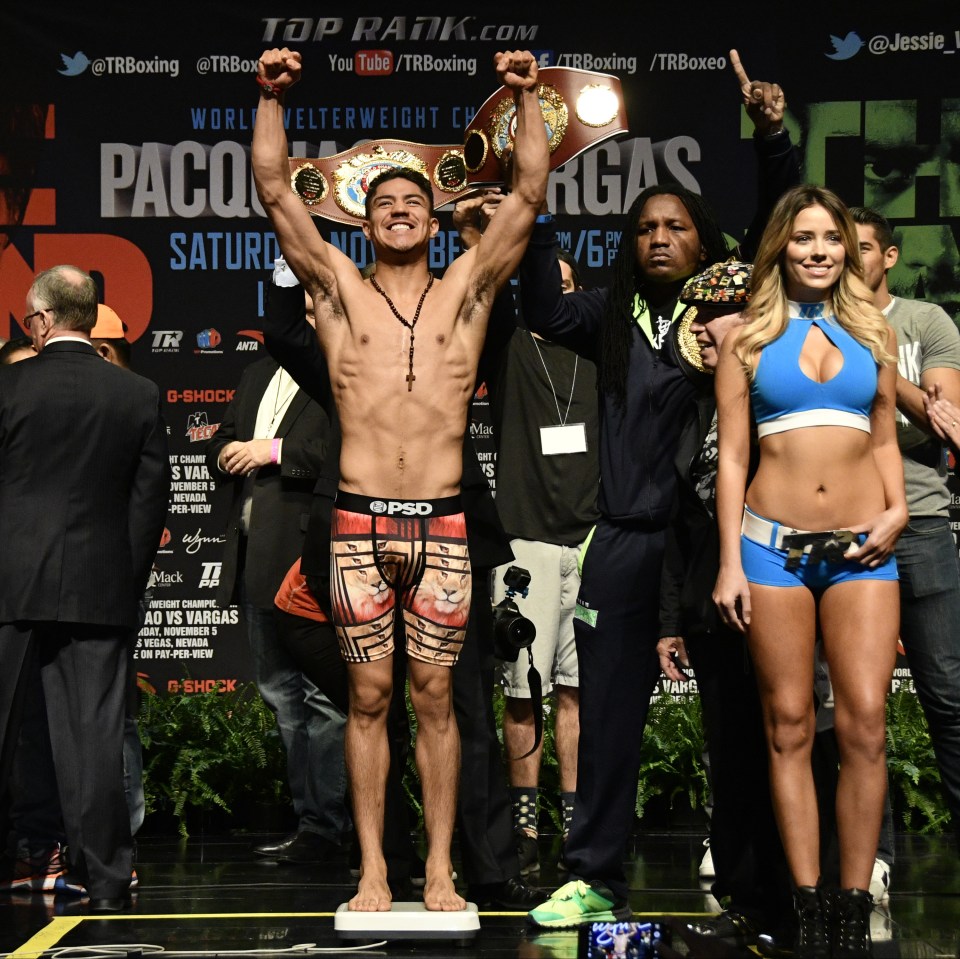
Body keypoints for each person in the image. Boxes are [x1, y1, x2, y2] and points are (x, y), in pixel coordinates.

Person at [251, 47, 548, 912]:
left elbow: (529, 191)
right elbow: (274, 187)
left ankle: (441, 869)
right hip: (358, 524)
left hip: (446, 524)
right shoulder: (337, 291)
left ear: (433, 213)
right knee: (371, 700)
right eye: (383, 203)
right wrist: (270, 97)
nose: (400, 212)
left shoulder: (468, 290)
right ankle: (374, 867)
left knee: (440, 704)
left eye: (414, 200)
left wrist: (525, 97)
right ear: (363, 221)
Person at [523, 50, 799, 928]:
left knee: (732, 718)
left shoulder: (731, 314)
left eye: (676, 226)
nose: (659, 237)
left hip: (713, 544)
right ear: (629, 244)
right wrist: (535, 215)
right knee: (605, 719)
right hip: (624, 541)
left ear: (702, 241)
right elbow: (536, 306)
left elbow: (776, 233)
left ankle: (754, 884)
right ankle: (595, 873)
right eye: (646, 227)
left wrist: (771, 138)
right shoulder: (605, 318)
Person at [712, 185, 906, 958]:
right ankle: (807, 905)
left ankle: (853, 905)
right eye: (804, 239)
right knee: (788, 725)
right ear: (781, 250)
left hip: (864, 549)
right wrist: (729, 560)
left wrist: (897, 511)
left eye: (832, 238)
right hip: (770, 547)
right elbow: (731, 457)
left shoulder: (875, 332)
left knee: (864, 725)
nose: (819, 250)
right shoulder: (747, 339)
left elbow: (887, 438)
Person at [0, 266, 170, 912]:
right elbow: (147, 506)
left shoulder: (7, 385)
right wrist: (118, 586)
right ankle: (105, 878)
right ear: (90, 315)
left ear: (39, 321)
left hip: (10, 583)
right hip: (100, 586)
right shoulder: (137, 394)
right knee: (96, 738)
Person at [454, 190, 599, 876]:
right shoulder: (510, 347)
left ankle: (574, 809)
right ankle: (523, 812)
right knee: (523, 687)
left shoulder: (601, 356)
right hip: (526, 542)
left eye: (568, 287)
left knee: (578, 688)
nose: (557, 297)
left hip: (595, 539)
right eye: (548, 286)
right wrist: (487, 230)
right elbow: (489, 286)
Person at [656, 260, 795, 951]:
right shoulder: (700, 401)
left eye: (714, 315)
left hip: (783, 596)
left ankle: (798, 895)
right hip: (714, 605)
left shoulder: (784, 395)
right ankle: (743, 899)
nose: (699, 328)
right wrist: (674, 618)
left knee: (792, 745)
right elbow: (683, 520)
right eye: (695, 314)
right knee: (730, 754)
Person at [205, 344, 350, 865]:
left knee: (322, 701)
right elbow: (223, 439)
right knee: (281, 699)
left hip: (308, 558)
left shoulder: (342, 367)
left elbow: (346, 448)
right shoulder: (257, 372)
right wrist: (226, 452)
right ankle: (310, 821)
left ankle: (330, 827)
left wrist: (273, 450)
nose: (306, 320)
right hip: (255, 556)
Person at [851, 206, 960, 854]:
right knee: (859, 708)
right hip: (842, 524)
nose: (853, 258)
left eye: (865, 247)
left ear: (887, 256)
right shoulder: (820, 323)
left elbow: (944, 423)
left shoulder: (924, 321)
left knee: (947, 694)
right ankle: (874, 861)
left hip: (918, 519)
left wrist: (880, 365)